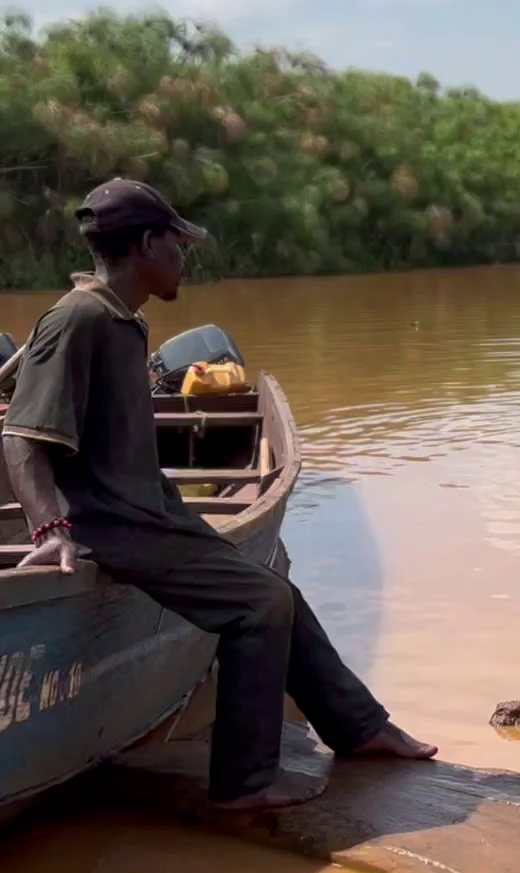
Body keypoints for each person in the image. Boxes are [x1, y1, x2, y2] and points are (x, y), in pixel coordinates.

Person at [1, 179, 435, 811]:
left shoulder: (119, 318)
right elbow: (22, 440)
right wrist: (49, 531)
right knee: (258, 605)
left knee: (273, 588)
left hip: (148, 513)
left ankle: (359, 726)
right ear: (147, 245)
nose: (183, 258)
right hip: (111, 524)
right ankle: (246, 781)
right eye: (176, 244)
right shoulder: (78, 318)